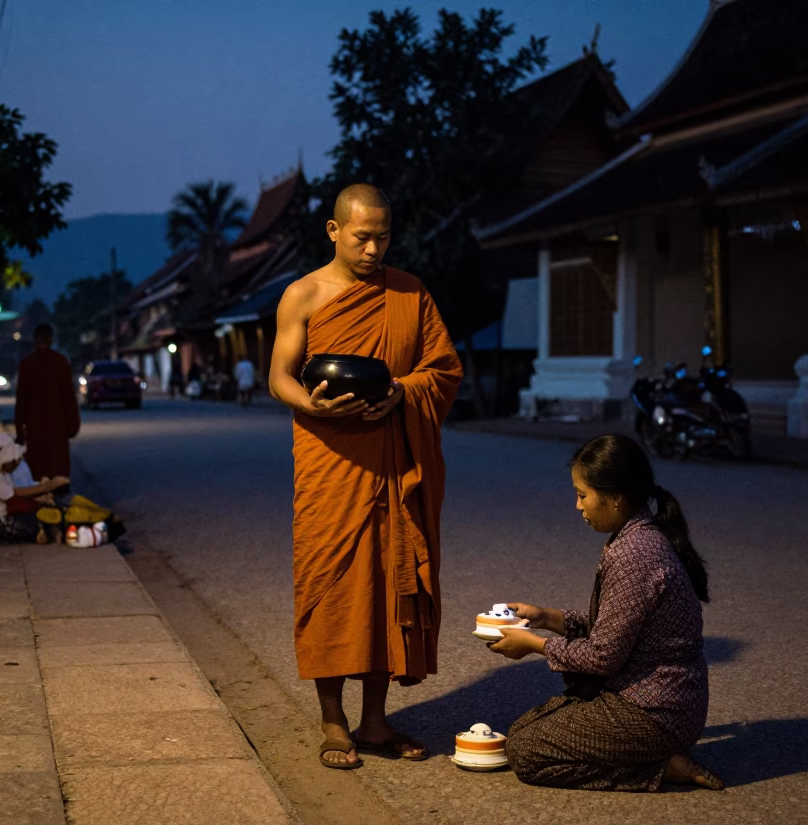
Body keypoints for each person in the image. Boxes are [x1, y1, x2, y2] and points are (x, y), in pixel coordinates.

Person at [268, 184, 462, 769]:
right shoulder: (302, 294)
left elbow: (443, 368)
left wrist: (402, 392)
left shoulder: (409, 292)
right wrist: (311, 404)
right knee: (328, 584)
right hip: (329, 457)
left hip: (391, 458)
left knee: (387, 580)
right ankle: (333, 722)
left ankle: (375, 721)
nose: (374, 248)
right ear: (334, 231)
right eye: (362, 237)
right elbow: (279, 376)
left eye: (383, 236)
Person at [487, 434, 723, 792]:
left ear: (616, 498)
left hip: (657, 712)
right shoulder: (634, 535)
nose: (578, 506)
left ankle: (658, 768)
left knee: (525, 753)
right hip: (645, 699)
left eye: (583, 495)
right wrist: (547, 617)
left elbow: (603, 656)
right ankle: (654, 757)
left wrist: (534, 645)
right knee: (521, 730)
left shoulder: (636, 555)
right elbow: (616, 625)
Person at [0, 434, 70, 544]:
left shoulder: (1, 472)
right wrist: (45, 487)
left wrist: (42, 494)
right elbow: (15, 495)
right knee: (32, 524)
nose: (16, 464)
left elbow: (20, 491)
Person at [14, 323, 81, 481]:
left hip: (35, 423)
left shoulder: (28, 364)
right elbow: (68, 396)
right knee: (57, 464)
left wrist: (19, 428)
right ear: (51, 340)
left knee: (38, 466)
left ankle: (41, 493)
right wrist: (74, 422)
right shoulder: (60, 362)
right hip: (57, 422)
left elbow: (21, 399)